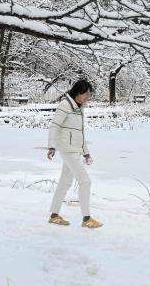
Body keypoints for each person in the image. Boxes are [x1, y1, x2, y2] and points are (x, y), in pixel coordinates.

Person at [46, 79, 103, 228]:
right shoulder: (65, 105)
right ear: (78, 92)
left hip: (74, 150)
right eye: (86, 94)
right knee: (85, 181)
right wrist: (52, 146)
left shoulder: (79, 108)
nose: (88, 98)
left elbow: (80, 133)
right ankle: (86, 219)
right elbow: (54, 126)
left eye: (89, 95)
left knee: (64, 183)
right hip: (67, 150)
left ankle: (54, 215)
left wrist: (86, 152)